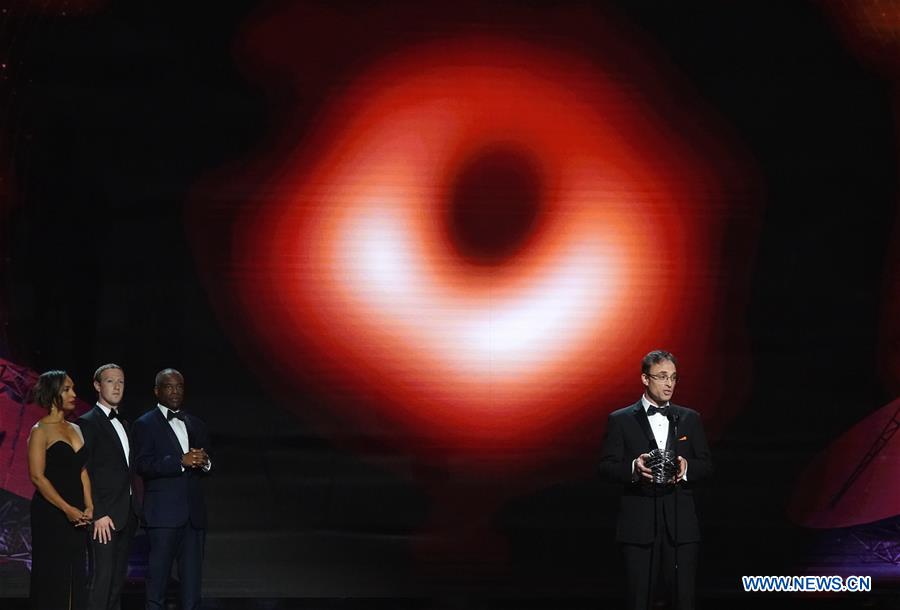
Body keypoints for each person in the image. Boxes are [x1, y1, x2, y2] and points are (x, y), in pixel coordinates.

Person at [599, 350, 712, 610]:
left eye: (673, 377)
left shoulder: (690, 419)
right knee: (638, 600)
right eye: (662, 377)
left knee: (684, 601)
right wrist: (634, 469)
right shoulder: (620, 420)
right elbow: (605, 468)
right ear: (645, 378)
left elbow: (707, 466)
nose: (669, 383)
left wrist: (685, 468)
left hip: (681, 527)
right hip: (638, 526)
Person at [131, 368, 211, 610]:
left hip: (193, 517)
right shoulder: (145, 424)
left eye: (179, 386)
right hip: (163, 516)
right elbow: (142, 465)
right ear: (157, 391)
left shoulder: (195, 423)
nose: (175, 391)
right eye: (169, 386)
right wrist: (179, 462)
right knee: (158, 582)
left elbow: (207, 459)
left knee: (192, 584)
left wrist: (204, 461)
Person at [27, 370, 93, 609]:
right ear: (53, 394)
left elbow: (82, 471)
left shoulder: (76, 428)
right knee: (53, 574)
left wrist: (89, 505)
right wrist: (67, 509)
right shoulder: (40, 430)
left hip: (78, 513)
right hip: (52, 512)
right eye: (67, 389)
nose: (74, 394)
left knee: (76, 573)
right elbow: (37, 477)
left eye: (73, 388)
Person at [78, 364, 138, 610]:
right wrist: (98, 512)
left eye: (121, 382)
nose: (116, 387)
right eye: (110, 381)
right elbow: (85, 471)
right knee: (101, 579)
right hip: (104, 516)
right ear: (97, 385)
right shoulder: (87, 422)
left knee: (116, 581)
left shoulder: (124, 422)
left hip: (126, 513)